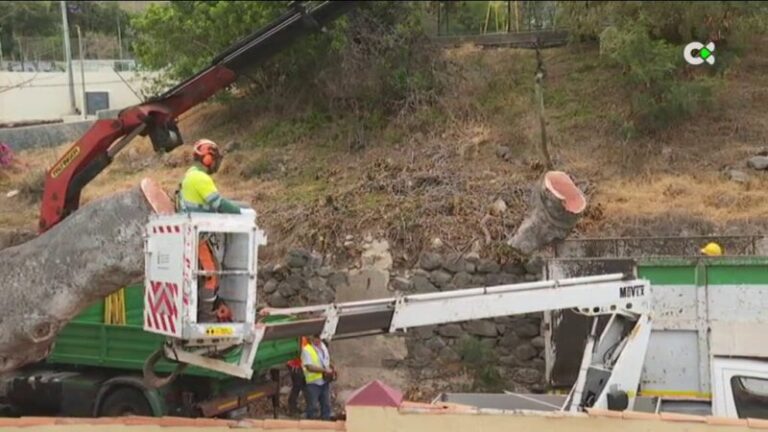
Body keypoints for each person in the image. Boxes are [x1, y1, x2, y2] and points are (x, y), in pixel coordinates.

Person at [176, 139, 242, 322]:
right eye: (215, 159)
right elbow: (218, 203)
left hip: (195, 237)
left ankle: (203, 313)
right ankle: (206, 319)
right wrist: (241, 213)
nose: (217, 163)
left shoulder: (189, 175)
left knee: (205, 276)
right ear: (207, 158)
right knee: (210, 277)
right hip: (198, 238)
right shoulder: (200, 177)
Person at [301, 335, 336, 421]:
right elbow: (309, 367)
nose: (318, 340)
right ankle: (311, 425)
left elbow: (326, 360)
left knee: (326, 405)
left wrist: (332, 368)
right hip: (313, 383)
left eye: (319, 338)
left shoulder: (323, 347)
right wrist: (324, 370)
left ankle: (326, 424)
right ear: (311, 338)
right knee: (312, 406)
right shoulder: (307, 350)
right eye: (316, 338)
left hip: (324, 381)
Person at [286, 336, 309, 417]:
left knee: (301, 386)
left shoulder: (303, 339)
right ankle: (292, 408)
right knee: (298, 386)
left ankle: (294, 407)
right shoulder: (300, 340)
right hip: (296, 366)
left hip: (298, 366)